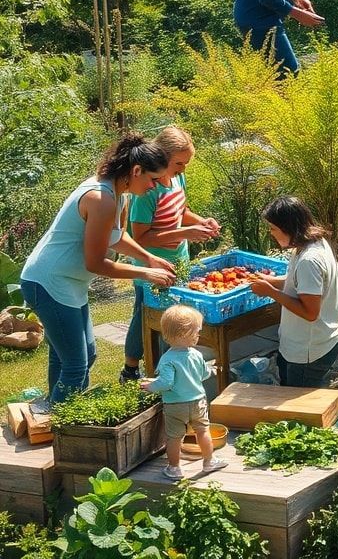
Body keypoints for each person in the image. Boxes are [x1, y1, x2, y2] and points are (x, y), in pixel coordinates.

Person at [19, 133, 176, 412]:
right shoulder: (100, 197)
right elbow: (96, 263)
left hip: (68, 283)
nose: (156, 187)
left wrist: (148, 258)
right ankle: (63, 430)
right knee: (76, 364)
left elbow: (114, 237)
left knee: (80, 355)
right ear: (136, 171)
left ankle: (55, 413)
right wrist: (145, 274)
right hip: (49, 282)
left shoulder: (117, 193)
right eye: (154, 179)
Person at [121, 126, 220, 383]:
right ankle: (131, 368)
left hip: (178, 261)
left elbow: (181, 211)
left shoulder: (177, 179)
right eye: (179, 163)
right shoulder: (146, 191)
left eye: (186, 163)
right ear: (161, 157)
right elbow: (140, 236)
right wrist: (186, 233)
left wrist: (202, 222)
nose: (183, 169)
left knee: (173, 317)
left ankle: (168, 368)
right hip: (152, 267)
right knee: (145, 316)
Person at [249, 197, 338, 388]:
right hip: (308, 343)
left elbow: (310, 312)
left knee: (300, 409)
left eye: (273, 228)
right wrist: (272, 281)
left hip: (309, 350)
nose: (271, 233)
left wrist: (270, 292)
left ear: (288, 227)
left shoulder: (309, 261)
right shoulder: (314, 243)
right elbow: (303, 285)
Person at [140, 304, 228, 481]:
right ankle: (209, 461)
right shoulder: (196, 355)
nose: (198, 335)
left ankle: (174, 468)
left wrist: (151, 386)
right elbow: (203, 374)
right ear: (185, 334)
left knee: (174, 437)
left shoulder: (167, 359)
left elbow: (166, 383)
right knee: (203, 431)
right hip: (198, 402)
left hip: (176, 405)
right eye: (197, 331)